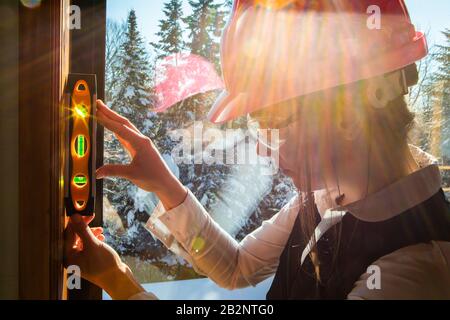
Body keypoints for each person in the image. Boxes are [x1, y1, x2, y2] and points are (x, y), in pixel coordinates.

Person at [65, 0, 450, 299]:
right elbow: (237, 266)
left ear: (347, 114)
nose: (267, 151)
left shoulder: (414, 271)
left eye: (276, 123)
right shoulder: (324, 196)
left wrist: (123, 286)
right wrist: (165, 184)